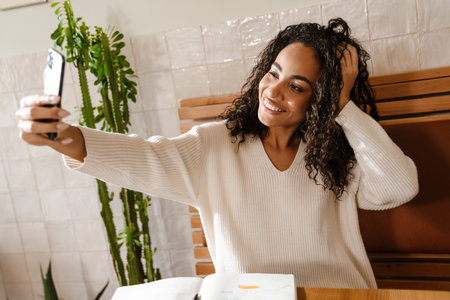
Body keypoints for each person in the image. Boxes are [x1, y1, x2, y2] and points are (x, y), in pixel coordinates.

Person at [16, 18, 418, 288]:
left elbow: (399, 187)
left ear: (321, 99)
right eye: (273, 73)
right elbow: (142, 158)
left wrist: (344, 108)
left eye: (297, 86)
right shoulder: (214, 146)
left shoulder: (339, 154)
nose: (274, 91)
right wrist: (61, 136)